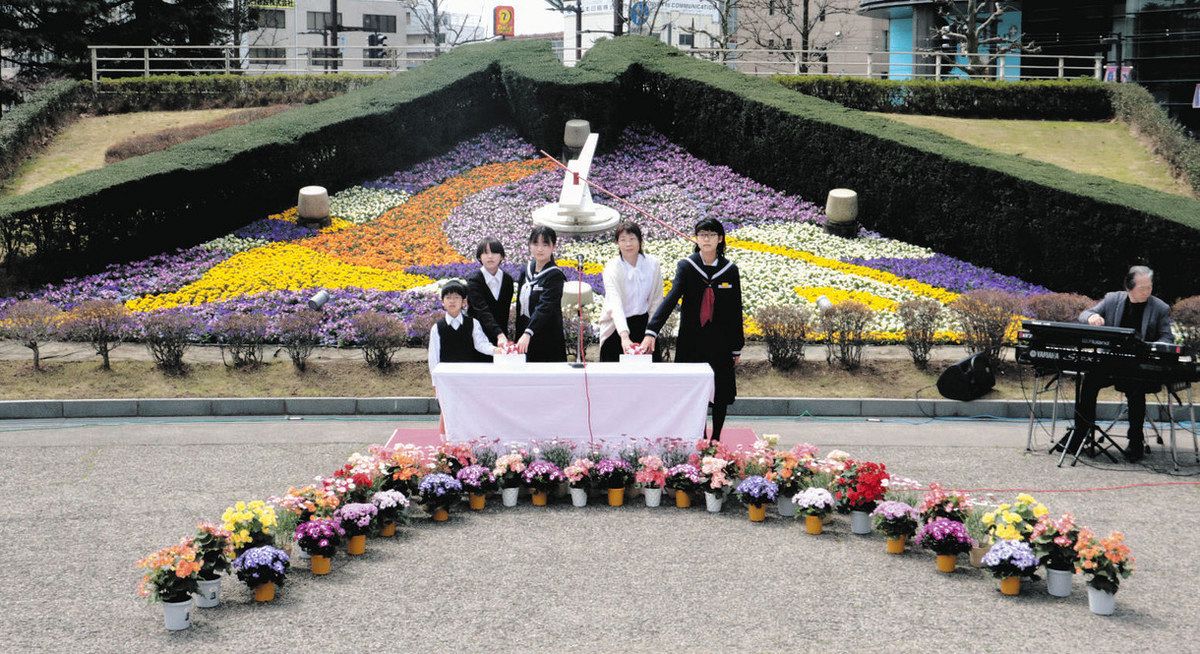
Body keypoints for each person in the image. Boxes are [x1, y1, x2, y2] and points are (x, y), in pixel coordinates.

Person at [643, 218, 744, 441]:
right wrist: (652, 330)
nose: (706, 239)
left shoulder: (730, 271)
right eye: (702, 235)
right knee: (694, 392)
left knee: (720, 392)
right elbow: (671, 299)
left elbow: (735, 310)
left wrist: (736, 347)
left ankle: (716, 439)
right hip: (692, 341)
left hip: (721, 342)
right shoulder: (687, 267)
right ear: (696, 239)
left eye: (711, 234)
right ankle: (699, 436)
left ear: (720, 239)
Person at [1072, 265, 1174, 462]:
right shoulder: (1112, 299)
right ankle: (1081, 433)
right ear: (1129, 287)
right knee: (1089, 381)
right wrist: (1093, 316)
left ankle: (1135, 440)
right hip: (1110, 360)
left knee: (1136, 389)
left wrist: (1153, 347)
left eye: (1150, 287)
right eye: (1143, 288)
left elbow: (1167, 338)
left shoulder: (1159, 307)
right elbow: (1084, 314)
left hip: (1138, 364)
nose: (1148, 291)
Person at [598, 221, 664, 362]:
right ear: (617, 243)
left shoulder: (652, 264)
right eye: (623, 240)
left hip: (644, 325)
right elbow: (615, 303)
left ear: (640, 240)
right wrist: (624, 336)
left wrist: (651, 333)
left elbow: (656, 300)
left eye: (632, 239)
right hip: (617, 326)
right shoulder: (612, 267)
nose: (628, 244)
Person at [515, 226, 567, 362]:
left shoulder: (555, 275)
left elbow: (545, 307)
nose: (540, 249)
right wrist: (520, 334)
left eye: (545, 244)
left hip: (547, 336)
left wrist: (528, 332)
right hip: (524, 336)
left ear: (553, 247)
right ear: (529, 246)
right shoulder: (525, 270)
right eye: (535, 243)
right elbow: (520, 307)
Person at [427, 281, 496, 375]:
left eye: (456, 297)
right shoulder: (437, 328)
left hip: (469, 374)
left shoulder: (473, 323)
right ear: (443, 302)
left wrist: (496, 350)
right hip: (446, 376)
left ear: (464, 301)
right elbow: (433, 357)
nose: (452, 301)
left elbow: (481, 344)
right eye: (448, 297)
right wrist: (435, 381)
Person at [466, 237, 515, 353]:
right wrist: (499, 334)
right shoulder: (474, 281)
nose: (490, 256)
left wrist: (503, 337)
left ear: (502, 256)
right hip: (478, 338)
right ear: (479, 257)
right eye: (485, 253)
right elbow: (482, 311)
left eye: (494, 252)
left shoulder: (507, 280)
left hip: (501, 340)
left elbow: (505, 312)